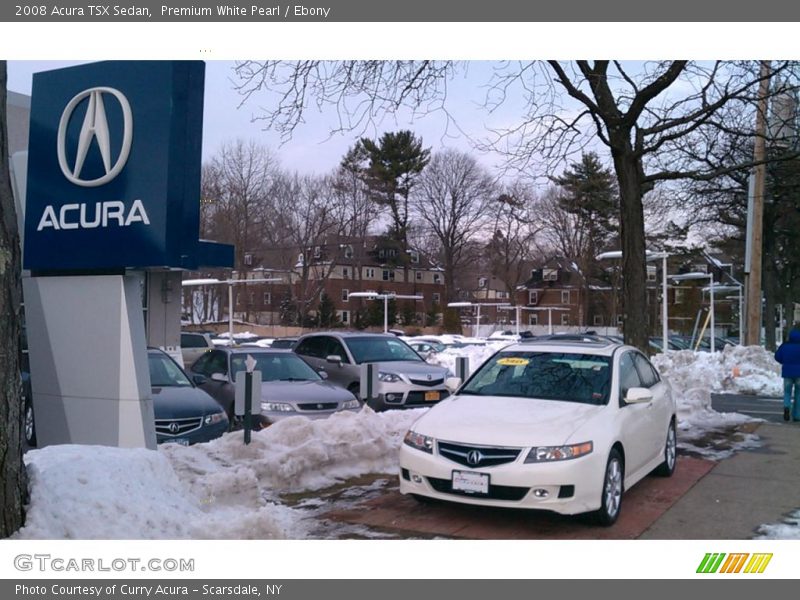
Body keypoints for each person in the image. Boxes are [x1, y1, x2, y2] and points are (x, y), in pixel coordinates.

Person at [775, 327, 800, 421]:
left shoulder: (785, 346)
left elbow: (777, 356)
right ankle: (797, 415)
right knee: (798, 394)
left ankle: (786, 407)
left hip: (787, 373)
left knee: (787, 392)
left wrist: (784, 362)